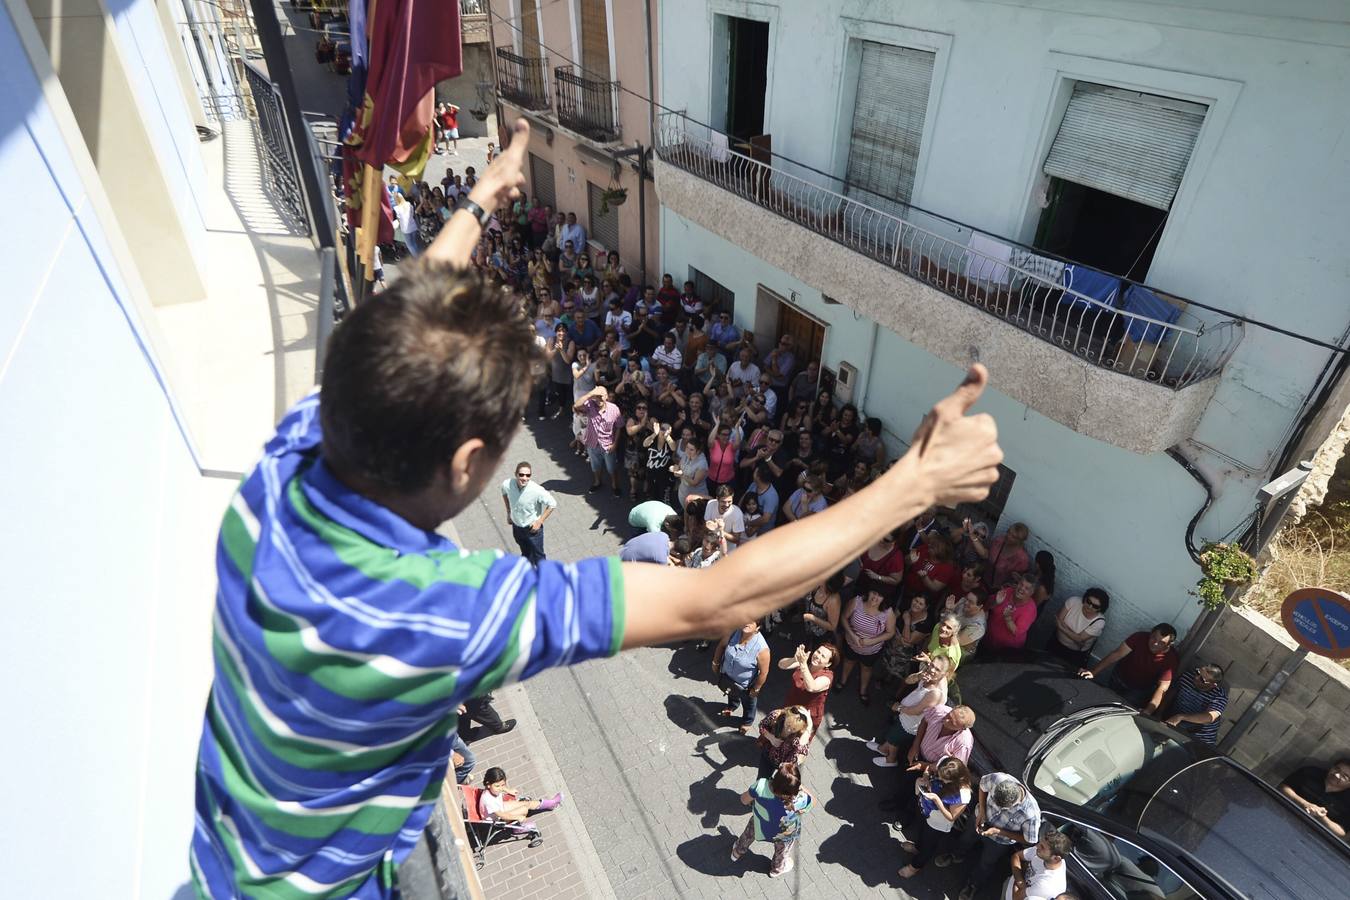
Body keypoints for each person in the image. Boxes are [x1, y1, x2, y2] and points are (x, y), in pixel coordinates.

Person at [190, 117, 1004, 899]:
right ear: (472, 460)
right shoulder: (434, 612)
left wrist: (482, 199)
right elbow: (717, 596)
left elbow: (383, 327)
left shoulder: (296, 454)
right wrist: (912, 485)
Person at [945, 772, 1042, 900]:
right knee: (965, 839)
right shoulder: (997, 779)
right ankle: (956, 855)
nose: (997, 809)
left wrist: (999, 832)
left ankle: (973, 885)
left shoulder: (1031, 814)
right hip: (978, 819)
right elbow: (982, 786)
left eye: (1003, 808)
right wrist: (982, 812)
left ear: (1016, 802)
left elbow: (1029, 840)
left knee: (986, 863)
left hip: (999, 841)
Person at [731, 763, 815, 879]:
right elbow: (813, 801)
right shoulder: (800, 799)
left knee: (748, 834)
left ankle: (737, 852)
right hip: (784, 833)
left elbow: (743, 800)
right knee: (782, 851)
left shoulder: (761, 786)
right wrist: (799, 786)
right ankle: (776, 869)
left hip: (760, 823)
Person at [896, 755, 973, 879]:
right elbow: (928, 769)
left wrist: (937, 800)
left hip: (939, 823)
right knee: (922, 833)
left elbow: (952, 816)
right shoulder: (944, 765)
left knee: (928, 845)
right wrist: (926, 778)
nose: (940, 780)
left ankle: (915, 867)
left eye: (944, 780)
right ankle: (917, 847)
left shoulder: (963, 795)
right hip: (927, 812)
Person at [869, 655, 952, 767]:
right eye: (932, 665)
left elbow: (916, 711)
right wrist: (919, 676)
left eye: (937, 669)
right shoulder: (928, 674)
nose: (932, 670)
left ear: (945, 674)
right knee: (892, 735)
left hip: (911, 723)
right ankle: (883, 749)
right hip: (905, 716)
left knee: (894, 738)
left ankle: (891, 760)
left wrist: (898, 707)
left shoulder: (936, 693)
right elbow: (908, 680)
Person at [1078, 623, 1179, 714]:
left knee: (1119, 711)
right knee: (1104, 701)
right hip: (1119, 677)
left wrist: (1148, 711)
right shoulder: (1139, 637)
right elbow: (1117, 654)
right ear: (1150, 633)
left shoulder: (1171, 659)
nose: (1155, 643)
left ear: (1168, 645)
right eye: (1153, 638)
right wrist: (1093, 672)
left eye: (1161, 643)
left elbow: (1162, 688)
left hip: (1138, 690)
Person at [837, 584, 897, 704]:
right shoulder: (856, 602)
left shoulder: (887, 612)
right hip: (851, 643)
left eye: (880, 596)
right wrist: (853, 635)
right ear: (868, 592)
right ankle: (842, 681)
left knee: (866, 668)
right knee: (848, 661)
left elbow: (890, 632)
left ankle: (863, 690)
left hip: (872, 650)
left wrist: (871, 641)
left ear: (884, 598)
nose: (875, 597)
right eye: (874, 593)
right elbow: (844, 617)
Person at [713, 622, 772, 733]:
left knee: (749, 703)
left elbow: (764, 672)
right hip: (728, 678)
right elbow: (721, 646)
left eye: (752, 621)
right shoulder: (733, 632)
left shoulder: (762, 649)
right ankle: (732, 706)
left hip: (745, 685)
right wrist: (715, 663)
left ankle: (747, 721)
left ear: (758, 627)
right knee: (730, 692)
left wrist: (756, 689)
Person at [500, 461, 556, 566]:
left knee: (539, 557)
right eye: (521, 475)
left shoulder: (537, 490)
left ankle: (542, 577)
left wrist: (539, 521)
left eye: (528, 475)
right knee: (525, 553)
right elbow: (504, 493)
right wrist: (508, 512)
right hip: (517, 527)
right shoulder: (507, 484)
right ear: (515, 474)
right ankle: (528, 571)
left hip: (533, 530)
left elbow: (552, 504)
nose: (524, 478)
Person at [1279, 759, 1350, 841]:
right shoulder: (1310, 772)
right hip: (1281, 813)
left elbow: (1340, 831)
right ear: (1332, 766)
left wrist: (1321, 817)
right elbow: (1283, 787)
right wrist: (1304, 803)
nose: (1337, 775)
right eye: (1337, 769)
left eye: (1345, 776)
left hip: (1309, 837)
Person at [778, 642, 836, 741]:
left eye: (823, 656)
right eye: (818, 652)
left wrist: (803, 664)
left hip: (807, 715)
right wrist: (794, 659)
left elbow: (811, 687)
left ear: (828, 663)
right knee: (781, 732)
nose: (818, 656)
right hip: (791, 705)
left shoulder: (827, 677)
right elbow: (781, 665)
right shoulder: (806, 661)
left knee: (797, 742)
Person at [1162, 662, 1229, 744]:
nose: (1196, 677)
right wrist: (1158, 714)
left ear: (1213, 685)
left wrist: (1181, 717)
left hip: (1200, 738)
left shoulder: (1219, 695)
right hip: (1176, 725)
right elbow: (1169, 696)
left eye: (1202, 680)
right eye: (1198, 672)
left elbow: (1209, 717)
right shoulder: (1187, 677)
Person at [575, 385, 623, 496]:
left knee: (611, 468)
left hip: (608, 445)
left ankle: (615, 485)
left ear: (606, 396)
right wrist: (590, 394)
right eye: (596, 397)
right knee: (595, 466)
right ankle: (597, 482)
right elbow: (577, 405)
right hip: (592, 443)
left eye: (601, 396)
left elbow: (619, 427)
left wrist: (615, 444)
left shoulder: (614, 409)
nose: (599, 399)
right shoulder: (590, 405)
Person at [477, 767, 562, 830]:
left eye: (503, 785)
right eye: (497, 786)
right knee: (524, 809)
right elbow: (504, 815)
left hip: (500, 809)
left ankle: (551, 804)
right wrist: (518, 817)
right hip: (497, 820)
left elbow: (501, 787)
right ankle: (518, 828)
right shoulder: (489, 801)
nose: (500, 788)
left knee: (526, 803)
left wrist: (508, 790)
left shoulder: (492, 789)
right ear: (488, 784)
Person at [1046, 588, 1109, 667]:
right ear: (1085, 598)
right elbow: (1059, 619)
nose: (1089, 606)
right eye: (1088, 601)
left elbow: (1079, 638)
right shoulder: (1073, 601)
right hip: (1056, 642)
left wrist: (1062, 628)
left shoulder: (1099, 622)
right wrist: (1075, 637)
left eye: (1095, 606)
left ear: (1100, 609)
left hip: (1074, 655)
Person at [1003, 830, 1072, 900]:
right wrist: (1020, 881)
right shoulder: (1042, 852)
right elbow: (1016, 856)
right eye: (1040, 843)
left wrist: (1021, 870)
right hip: (1009, 885)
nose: (1037, 846)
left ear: (1056, 859)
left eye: (1042, 847)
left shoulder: (1048, 885)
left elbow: (1016, 898)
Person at [982, 573, 1040, 653]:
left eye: (1027, 588)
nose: (1021, 589)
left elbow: (1016, 631)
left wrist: (1008, 618)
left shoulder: (1030, 609)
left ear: (1032, 592)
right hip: (987, 639)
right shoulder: (1008, 591)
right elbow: (986, 606)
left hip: (1005, 651)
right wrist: (996, 602)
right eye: (1021, 584)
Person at [756, 706, 811, 779]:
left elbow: (798, 753)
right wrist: (770, 737)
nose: (788, 730)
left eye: (793, 729)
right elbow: (762, 725)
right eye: (788, 724)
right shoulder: (776, 716)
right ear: (786, 716)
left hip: (784, 765)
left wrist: (809, 726)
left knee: (777, 788)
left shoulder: (800, 735)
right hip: (768, 755)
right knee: (761, 780)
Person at [801, 572, 844, 643]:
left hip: (820, 634)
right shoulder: (818, 586)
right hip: (809, 626)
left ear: (829, 584)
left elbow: (832, 626)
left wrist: (812, 618)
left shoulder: (833, 600)